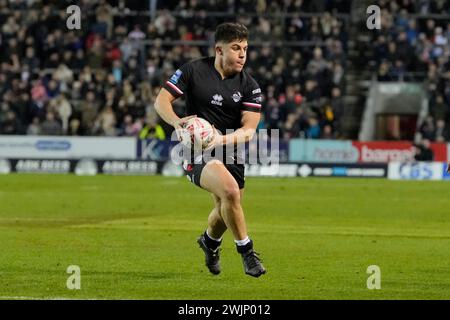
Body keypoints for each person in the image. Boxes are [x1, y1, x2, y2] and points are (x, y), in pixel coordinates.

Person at [155, 22, 266, 277]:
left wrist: (219, 140)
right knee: (230, 192)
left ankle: (209, 242)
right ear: (219, 50)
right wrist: (177, 123)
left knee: (225, 209)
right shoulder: (193, 70)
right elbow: (161, 100)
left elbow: (249, 130)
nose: (242, 54)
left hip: (229, 148)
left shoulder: (249, 85)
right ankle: (247, 253)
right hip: (196, 149)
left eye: (245, 49)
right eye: (236, 48)